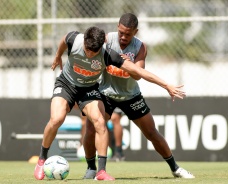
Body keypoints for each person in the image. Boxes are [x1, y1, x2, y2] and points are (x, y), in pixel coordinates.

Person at [34, 26, 185, 181]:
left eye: (94, 51)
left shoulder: (108, 55)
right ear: (84, 41)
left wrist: (166, 85)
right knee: (57, 119)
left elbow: (139, 72)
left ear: (102, 45)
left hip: (89, 88)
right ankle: (41, 160)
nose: (90, 54)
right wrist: (58, 55)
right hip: (67, 84)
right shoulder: (74, 39)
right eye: (87, 49)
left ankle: (101, 171)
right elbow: (64, 39)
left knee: (99, 122)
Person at [82, 13, 195, 179]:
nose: (123, 36)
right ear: (117, 27)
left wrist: (122, 62)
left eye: (128, 34)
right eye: (121, 32)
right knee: (92, 128)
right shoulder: (106, 40)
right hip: (106, 93)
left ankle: (175, 168)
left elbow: (137, 75)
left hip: (130, 95)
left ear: (135, 32)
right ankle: (93, 169)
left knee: (151, 132)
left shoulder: (140, 47)